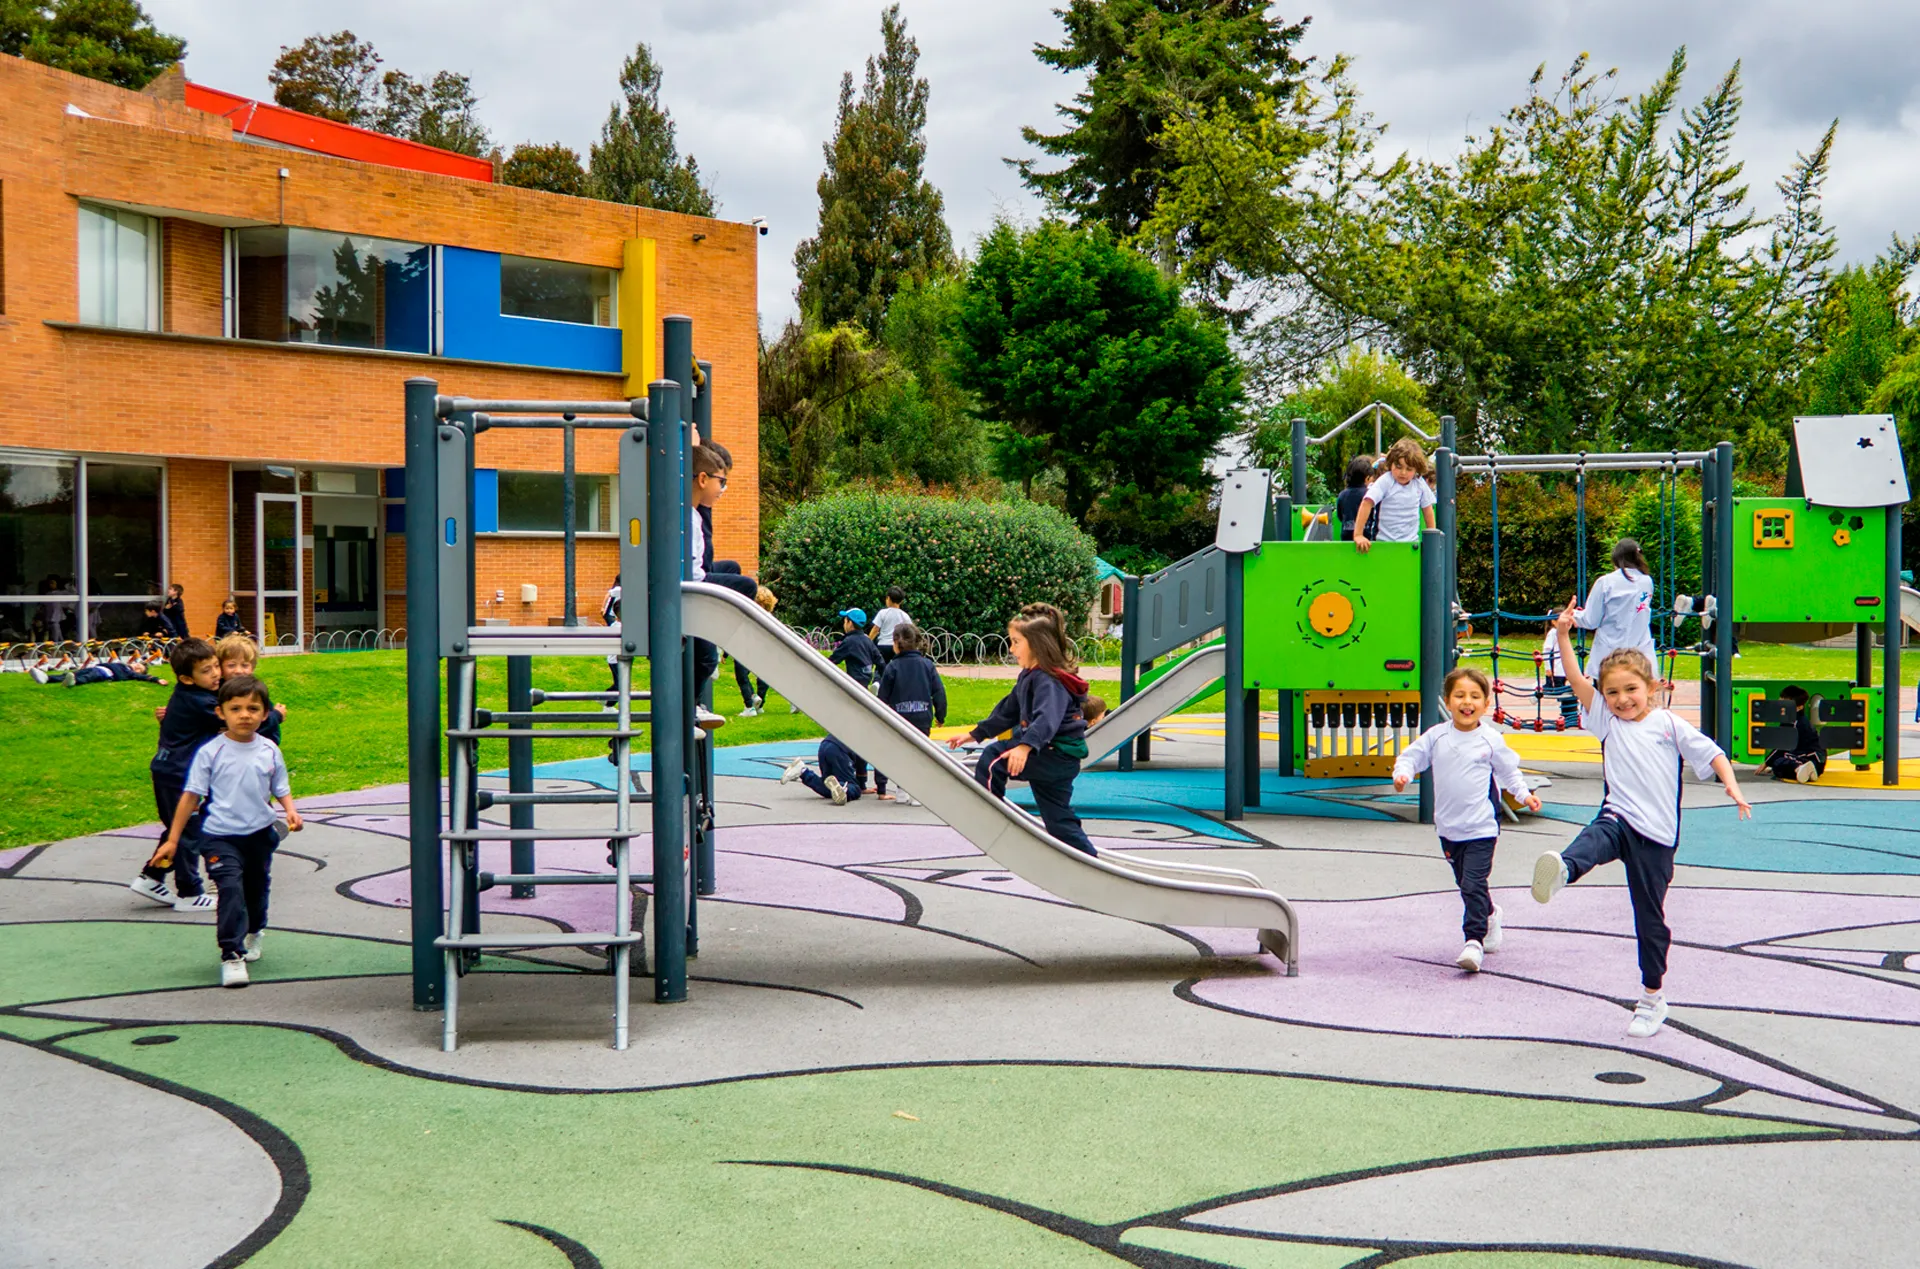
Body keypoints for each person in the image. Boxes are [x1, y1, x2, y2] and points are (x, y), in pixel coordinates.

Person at [1532, 606, 1750, 1039]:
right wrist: (1561, 635)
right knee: (1596, 836)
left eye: (1630, 689)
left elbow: (1712, 754)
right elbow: (1576, 680)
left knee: (1649, 919)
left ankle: (1652, 997)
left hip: (1657, 837)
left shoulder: (1668, 724)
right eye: (1612, 693)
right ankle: (1564, 871)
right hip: (1619, 817)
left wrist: (1733, 786)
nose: (1621, 699)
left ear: (1651, 688)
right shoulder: (1606, 721)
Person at [153, 674, 302, 987]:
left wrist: (290, 810)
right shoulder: (210, 752)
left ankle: (255, 931)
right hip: (219, 835)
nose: (244, 715)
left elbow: (280, 786)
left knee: (257, 889)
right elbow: (190, 796)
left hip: (260, 834)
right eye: (236, 708)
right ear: (221, 713)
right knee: (230, 889)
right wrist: (172, 840)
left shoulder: (270, 750)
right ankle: (231, 955)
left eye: (252, 708)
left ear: (265, 714)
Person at [1392, 666, 1540, 972]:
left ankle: (1473, 941)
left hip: (1482, 827)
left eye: (1474, 696)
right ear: (1448, 701)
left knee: (1473, 882)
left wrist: (1524, 794)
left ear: (1486, 704)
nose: (1466, 702)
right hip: (1448, 828)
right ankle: (1490, 914)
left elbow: (1508, 772)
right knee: (1466, 884)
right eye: (1459, 695)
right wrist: (1403, 773)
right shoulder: (1437, 736)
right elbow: (1411, 757)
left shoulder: (1490, 740)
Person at [949, 608, 1097, 856]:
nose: (1011, 649)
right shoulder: (1030, 676)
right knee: (1057, 819)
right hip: (1059, 758)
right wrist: (975, 734)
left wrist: (1024, 746)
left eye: (1016, 642)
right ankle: (1088, 859)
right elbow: (1008, 711)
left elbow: (1046, 719)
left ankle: (988, 815)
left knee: (994, 757)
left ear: (1038, 645)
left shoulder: (1049, 681)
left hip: (1053, 753)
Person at [131, 637, 223, 912]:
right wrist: (273, 716)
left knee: (179, 828)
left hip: (171, 770)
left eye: (217, 666)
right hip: (178, 774)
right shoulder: (201, 702)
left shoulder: (192, 696)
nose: (216, 673)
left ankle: (152, 876)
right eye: (206, 670)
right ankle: (189, 891)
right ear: (186, 678)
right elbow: (233, 718)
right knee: (189, 831)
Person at [873, 623, 946, 801]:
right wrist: (940, 715)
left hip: (900, 718)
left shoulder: (893, 666)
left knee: (901, 753)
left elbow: (883, 695)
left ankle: (902, 789)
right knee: (920, 753)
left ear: (896, 643)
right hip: (922, 717)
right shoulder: (927, 665)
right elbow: (939, 691)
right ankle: (917, 791)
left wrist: (882, 714)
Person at [1568, 539, 1657, 672]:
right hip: (1640, 655)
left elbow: (1591, 620)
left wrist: (1572, 614)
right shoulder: (1647, 582)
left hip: (1609, 654)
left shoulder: (1606, 582)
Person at [1353, 438, 1436, 552]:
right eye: (1398, 466)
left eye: (1409, 469)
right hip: (1385, 543)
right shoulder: (1386, 481)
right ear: (1391, 463)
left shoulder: (1419, 483)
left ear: (1416, 469)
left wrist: (1432, 539)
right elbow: (1367, 502)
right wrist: (1358, 534)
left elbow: (1428, 509)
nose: (1403, 473)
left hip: (1410, 544)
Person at [1762, 684, 1827, 783]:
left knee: (1778, 762)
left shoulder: (1794, 723)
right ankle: (1809, 772)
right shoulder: (1797, 720)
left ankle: (1799, 768)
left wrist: (1767, 762)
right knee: (1779, 764)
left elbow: (1781, 747)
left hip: (1808, 758)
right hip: (1818, 762)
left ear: (1799, 707)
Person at [736, 586, 782, 717]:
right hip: (766, 650)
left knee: (742, 675)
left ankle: (750, 702)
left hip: (749, 648)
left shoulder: (753, 617)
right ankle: (760, 703)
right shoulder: (771, 618)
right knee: (763, 677)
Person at [31, 650, 163, 686]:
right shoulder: (123, 665)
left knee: (89, 677)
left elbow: (142, 677)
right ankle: (47, 678)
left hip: (104, 673)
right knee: (72, 672)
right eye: (137, 664)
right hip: (97, 667)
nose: (136, 667)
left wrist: (156, 679)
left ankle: (75, 682)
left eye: (139, 668)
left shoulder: (129, 673)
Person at [828, 608, 882, 689]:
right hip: (866, 680)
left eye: (845, 621)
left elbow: (833, 660)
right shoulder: (868, 640)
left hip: (854, 682)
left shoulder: (849, 641)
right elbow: (880, 661)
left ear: (850, 623)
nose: (844, 624)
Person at [1335, 454, 1379, 542]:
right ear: (1367, 478)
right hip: (1365, 536)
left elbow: (1340, 515)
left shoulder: (1342, 494)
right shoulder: (1369, 494)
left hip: (1346, 536)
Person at [870, 587, 913, 666]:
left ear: (888, 598)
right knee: (897, 666)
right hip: (897, 645)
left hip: (883, 645)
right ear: (901, 601)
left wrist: (869, 641)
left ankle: (878, 678)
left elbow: (875, 629)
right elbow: (910, 631)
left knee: (881, 667)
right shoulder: (904, 616)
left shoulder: (882, 613)